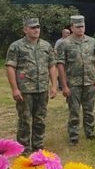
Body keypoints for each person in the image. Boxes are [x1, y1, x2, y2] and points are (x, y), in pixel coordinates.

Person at [5, 17, 57, 152]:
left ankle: (38, 146)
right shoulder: (16, 46)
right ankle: (23, 149)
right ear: (25, 29)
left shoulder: (46, 46)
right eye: (33, 27)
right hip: (25, 90)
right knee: (25, 120)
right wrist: (15, 89)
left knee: (40, 119)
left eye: (38, 27)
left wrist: (54, 85)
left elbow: (52, 65)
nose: (36, 30)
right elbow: (10, 67)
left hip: (42, 88)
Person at [56, 15, 95, 144]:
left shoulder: (92, 41)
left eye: (82, 26)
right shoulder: (64, 43)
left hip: (89, 82)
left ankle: (90, 133)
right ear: (72, 28)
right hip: (73, 84)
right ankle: (73, 136)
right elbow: (60, 65)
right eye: (77, 27)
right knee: (74, 112)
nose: (80, 29)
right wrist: (64, 86)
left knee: (89, 110)